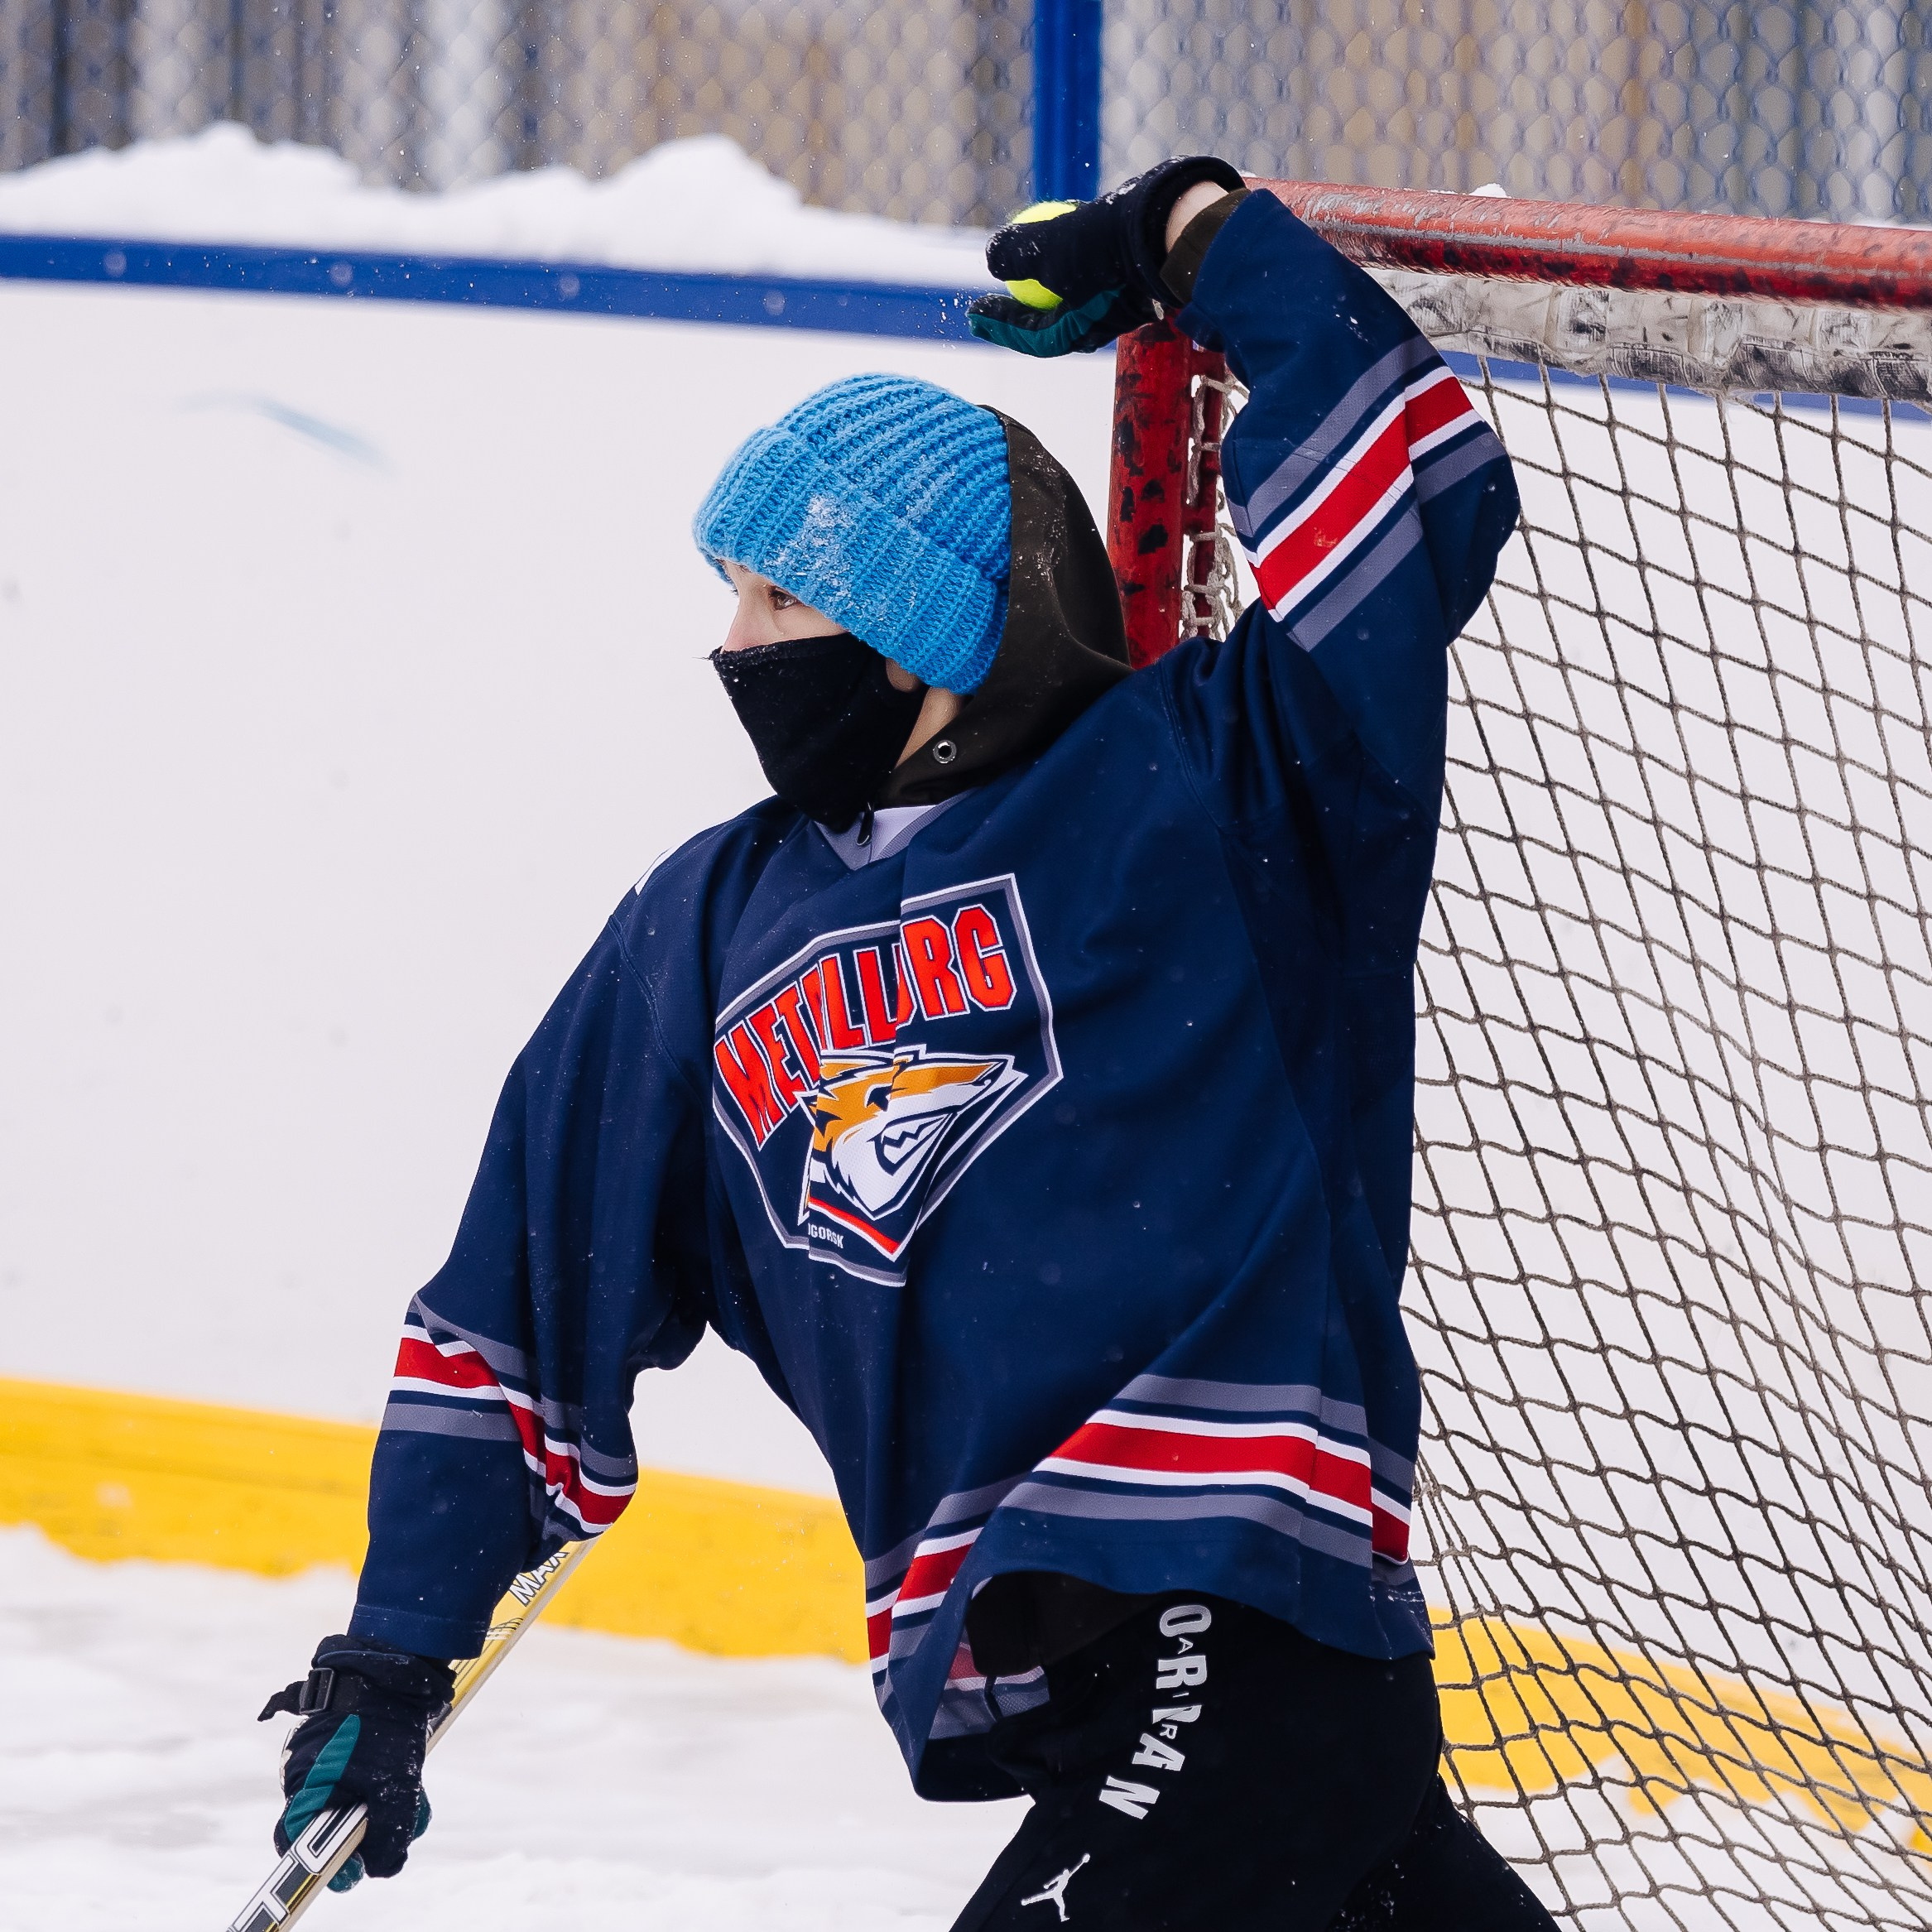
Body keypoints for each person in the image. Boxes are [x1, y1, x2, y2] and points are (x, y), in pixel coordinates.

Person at [257, 156, 1552, 1929]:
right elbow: (510, 1310)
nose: (732, 648)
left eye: (781, 601)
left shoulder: (1212, 784)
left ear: (930, 628)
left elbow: (1412, 499)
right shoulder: (705, 930)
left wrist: (1198, 236)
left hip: (1246, 1631)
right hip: (1065, 1699)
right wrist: (392, 1658)